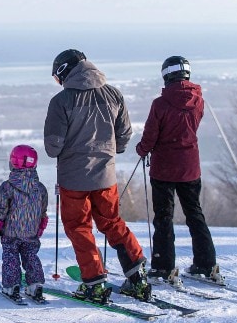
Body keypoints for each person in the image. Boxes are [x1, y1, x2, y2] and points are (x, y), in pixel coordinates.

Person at [44, 49, 151, 303]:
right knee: (112, 222)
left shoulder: (61, 102)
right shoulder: (114, 94)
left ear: (63, 72)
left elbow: (53, 147)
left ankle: (94, 282)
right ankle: (138, 275)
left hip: (73, 180)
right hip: (106, 177)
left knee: (79, 228)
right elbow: (124, 136)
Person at [135, 56, 221, 283]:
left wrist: (142, 149)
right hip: (190, 166)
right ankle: (206, 264)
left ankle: (164, 268)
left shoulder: (160, 104)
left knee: (164, 218)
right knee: (195, 214)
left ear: (166, 75)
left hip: (164, 169)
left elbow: (150, 136)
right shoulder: (199, 100)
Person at [0, 144, 49, 302]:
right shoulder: (40, 188)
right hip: (31, 232)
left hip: (10, 232)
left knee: (10, 257)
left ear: (12, 162)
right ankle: (35, 285)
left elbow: (1, 210)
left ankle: (11, 286)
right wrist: (40, 225)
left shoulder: (7, 187)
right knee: (31, 256)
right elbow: (43, 211)